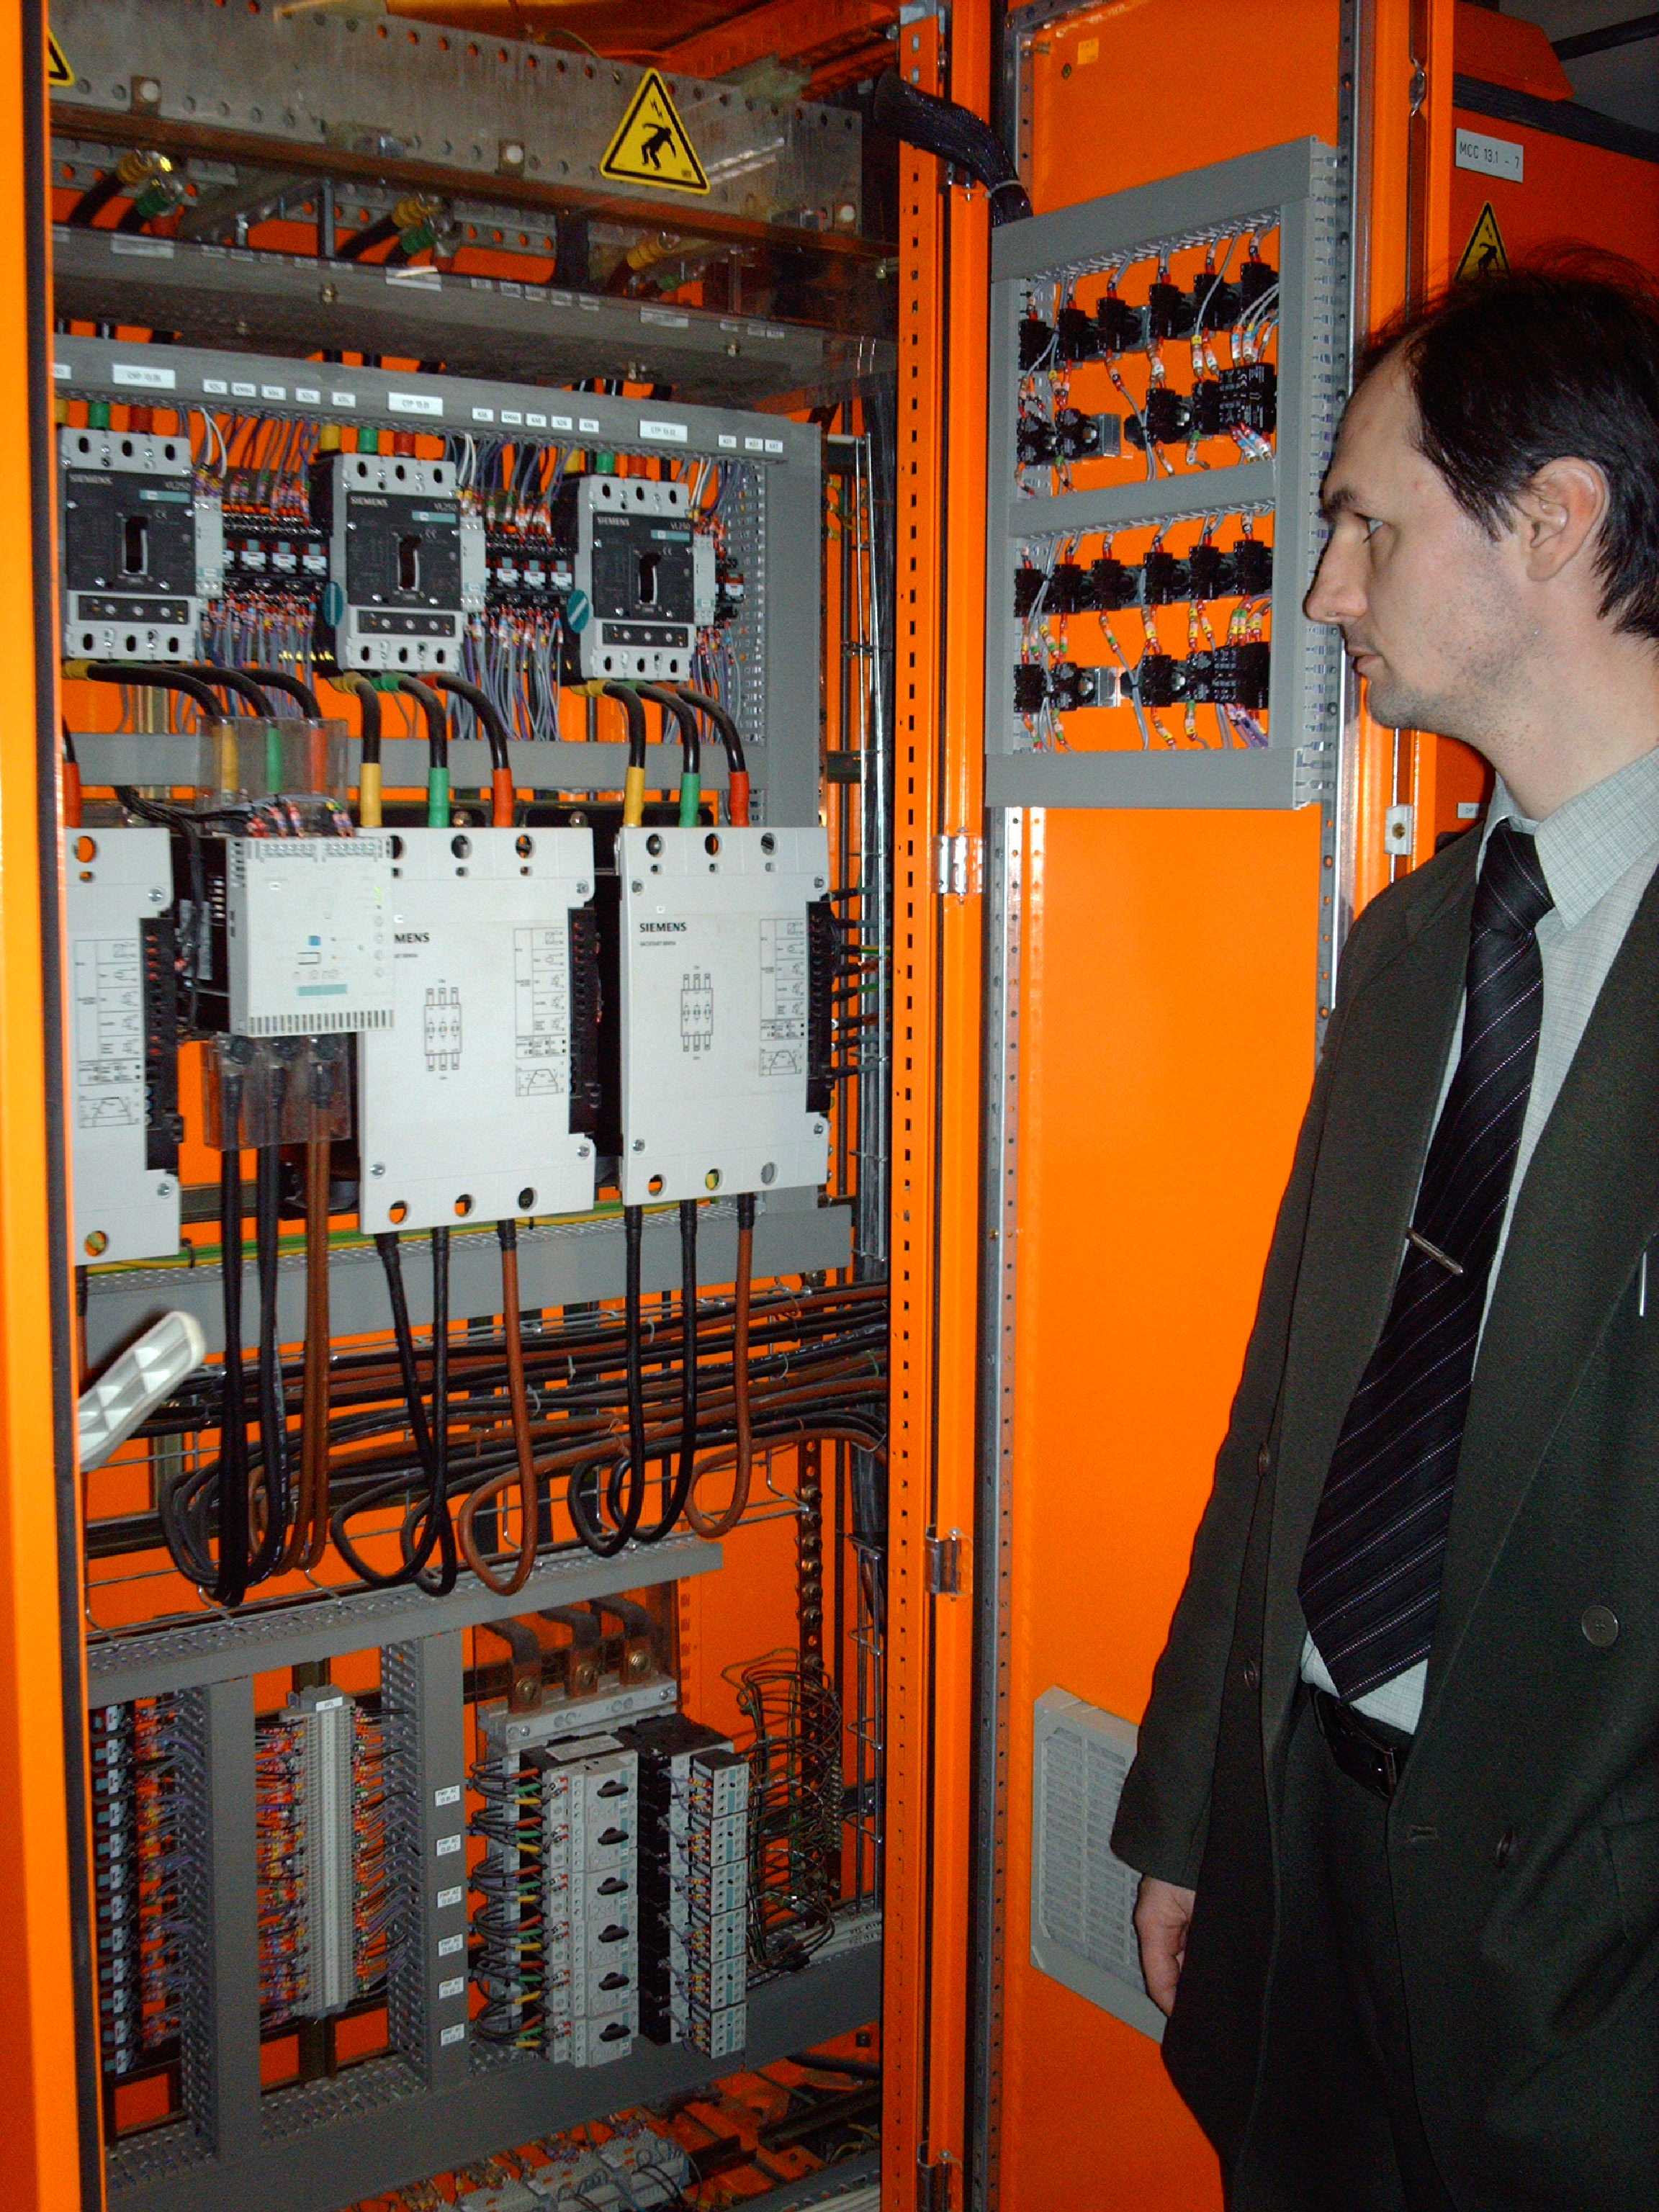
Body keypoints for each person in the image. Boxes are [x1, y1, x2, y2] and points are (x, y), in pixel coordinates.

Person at [1112, 256, 1659, 2212]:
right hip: (1318, 1857)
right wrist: (1196, 1811)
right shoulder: (1423, 940)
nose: (1325, 591)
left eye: (1368, 524)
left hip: (1588, 1949)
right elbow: (1292, 1413)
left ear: (1554, 523)